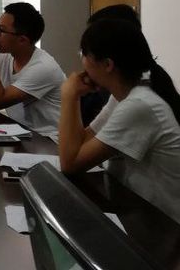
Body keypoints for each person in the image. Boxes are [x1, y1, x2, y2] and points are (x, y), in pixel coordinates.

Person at [59, 19, 180, 224]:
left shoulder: (139, 104)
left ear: (108, 64)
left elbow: (70, 164)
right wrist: (73, 96)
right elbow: (81, 142)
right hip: (134, 208)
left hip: (163, 225)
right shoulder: (123, 96)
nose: (82, 63)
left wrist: (69, 97)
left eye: (84, 54)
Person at [0, 2, 64, 134]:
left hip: (48, 140)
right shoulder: (6, 57)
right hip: (22, 134)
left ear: (22, 40)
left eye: (1, 30)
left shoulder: (43, 68)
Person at [80, 4, 141, 125]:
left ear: (108, 63)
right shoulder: (117, 92)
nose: (83, 59)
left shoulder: (135, 100)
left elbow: (74, 138)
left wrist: (69, 96)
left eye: (86, 52)